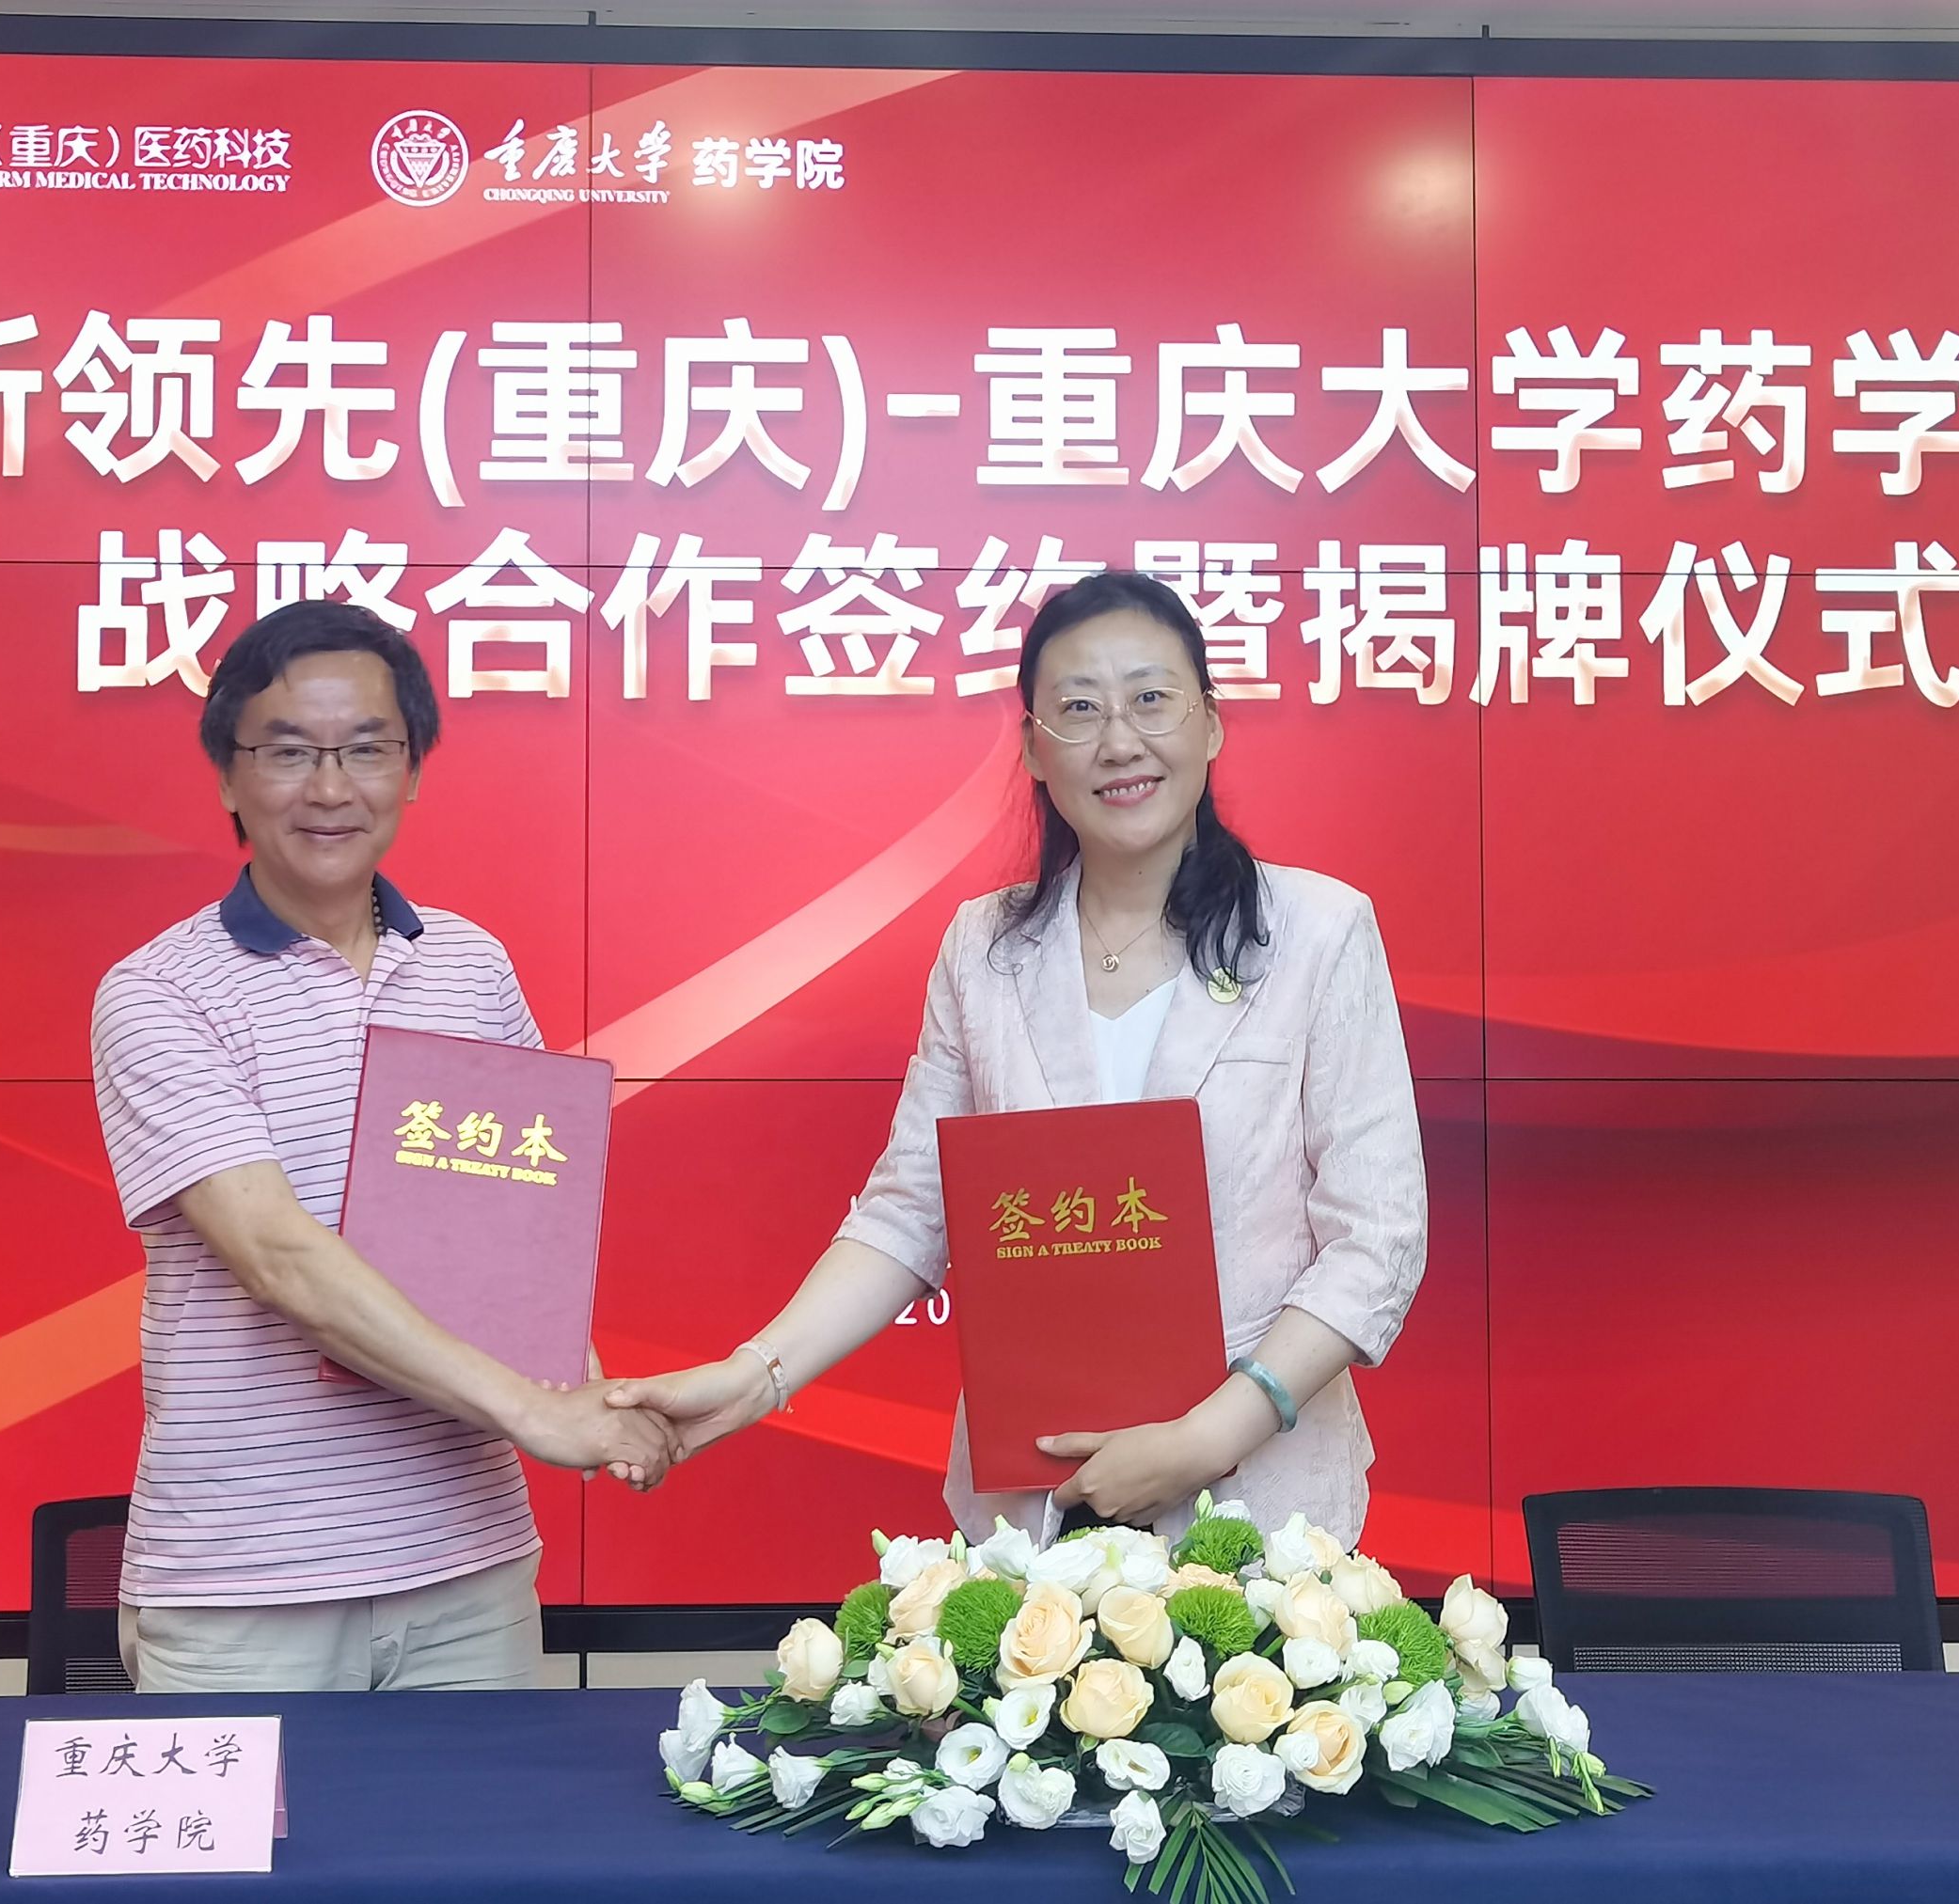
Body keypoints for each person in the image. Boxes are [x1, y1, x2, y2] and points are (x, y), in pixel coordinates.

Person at [607, 570, 1428, 1545]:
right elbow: (912, 1210)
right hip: (1030, 1512)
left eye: (1150, 699)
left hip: (1261, 1513)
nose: (1118, 741)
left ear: (1210, 723)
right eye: (1078, 709)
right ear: (1035, 749)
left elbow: (1377, 1239)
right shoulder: (984, 948)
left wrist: (1210, 1436)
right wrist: (753, 1378)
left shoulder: (1319, 933)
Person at [88, 600, 676, 1692]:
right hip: (244, 1589)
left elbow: (522, 1241)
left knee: (483, 1820)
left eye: (366, 749)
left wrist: (592, 1397)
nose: (330, 789)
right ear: (227, 776)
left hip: (467, 1569)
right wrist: (536, 1413)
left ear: (411, 771)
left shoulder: (469, 966)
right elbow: (280, 1258)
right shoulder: (160, 993)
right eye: (288, 752)